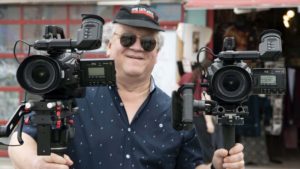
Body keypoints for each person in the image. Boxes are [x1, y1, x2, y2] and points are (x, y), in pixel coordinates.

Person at [8, 5, 245, 169]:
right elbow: (20, 142)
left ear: (156, 53)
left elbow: (192, 164)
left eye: (148, 42)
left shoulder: (176, 109)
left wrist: (217, 165)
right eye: (127, 38)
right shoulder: (71, 92)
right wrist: (34, 162)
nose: (137, 47)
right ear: (109, 45)